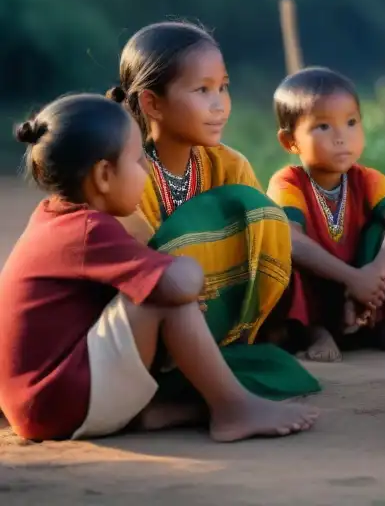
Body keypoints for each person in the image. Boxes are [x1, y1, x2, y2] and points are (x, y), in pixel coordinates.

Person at [0, 94, 318, 442]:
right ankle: (234, 408)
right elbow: (177, 286)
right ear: (104, 175)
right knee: (165, 297)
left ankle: (151, 413)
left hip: (36, 401)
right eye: (138, 161)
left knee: (153, 287)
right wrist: (188, 269)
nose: (148, 169)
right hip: (56, 401)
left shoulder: (54, 217)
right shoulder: (89, 229)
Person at [110, 21, 319, 401]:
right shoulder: (127, 174)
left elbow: (269, 238)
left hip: (221, 322)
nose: (219, 104)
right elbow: (136, 264)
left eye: (223, 87)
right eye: (202, 90)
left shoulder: (229, 165)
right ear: (151, 103)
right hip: (157, 319)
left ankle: (223, 355)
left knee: (261, 213)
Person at [267, 67, 385, 362]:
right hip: (321, 285)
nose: (341, 137)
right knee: (283, 254)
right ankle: (315, 332)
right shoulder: (288, 182)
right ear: (290, 141)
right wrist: (350, 278)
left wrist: (374, 272)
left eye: (350, 122)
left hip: (369, 286)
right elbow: (291, 241)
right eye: (323, 127)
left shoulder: (368, 179)